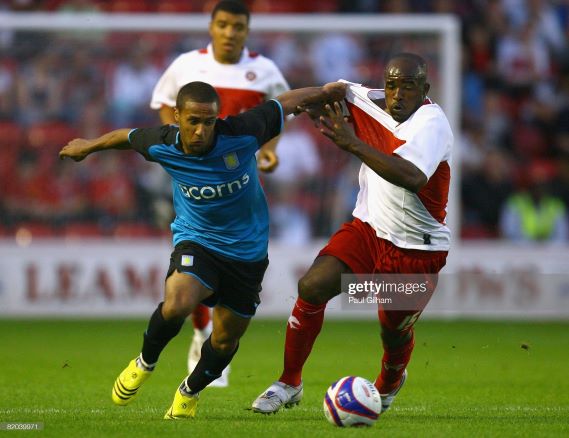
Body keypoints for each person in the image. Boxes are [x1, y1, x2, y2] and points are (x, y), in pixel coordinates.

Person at [58, 80, 346, 419]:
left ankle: (188, 392)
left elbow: (285, 103)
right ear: (177, 116)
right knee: (178, 302)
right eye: (192, 120)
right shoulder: (164, 142)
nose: (200, 130)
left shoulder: (242, 131)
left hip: (247, 254)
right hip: (198, 240)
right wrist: (88, 146)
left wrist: (325, 93)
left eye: (208, 121)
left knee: (224, 340)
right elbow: (125, 136)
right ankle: (145, 362)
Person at [252, 53, 453, 414]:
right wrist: (290, 106)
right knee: (313, 286)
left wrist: (352, 143)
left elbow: (412, 177)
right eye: (392, 85)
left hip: (415, 249)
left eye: (408, 86)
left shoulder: (432, 124)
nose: (397, 94)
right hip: (369, 228)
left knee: (391, 329)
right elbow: (309, 99)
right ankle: (289, 382)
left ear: (424, 89)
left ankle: (390, 382)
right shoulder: (363, 99)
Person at [150, 0, 290, 386]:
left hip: (239, 176)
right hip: (195, 175)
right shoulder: (186, 65)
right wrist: (180, 150)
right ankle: (200, 332)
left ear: (247, 31)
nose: (230, 33)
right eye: (223, 25)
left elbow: (280, 114)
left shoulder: (264, 70)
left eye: (238, 27)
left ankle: (212, 336)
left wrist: (272, 150)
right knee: (197, 251)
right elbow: (164, 106)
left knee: (233, 248)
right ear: (211, 27)